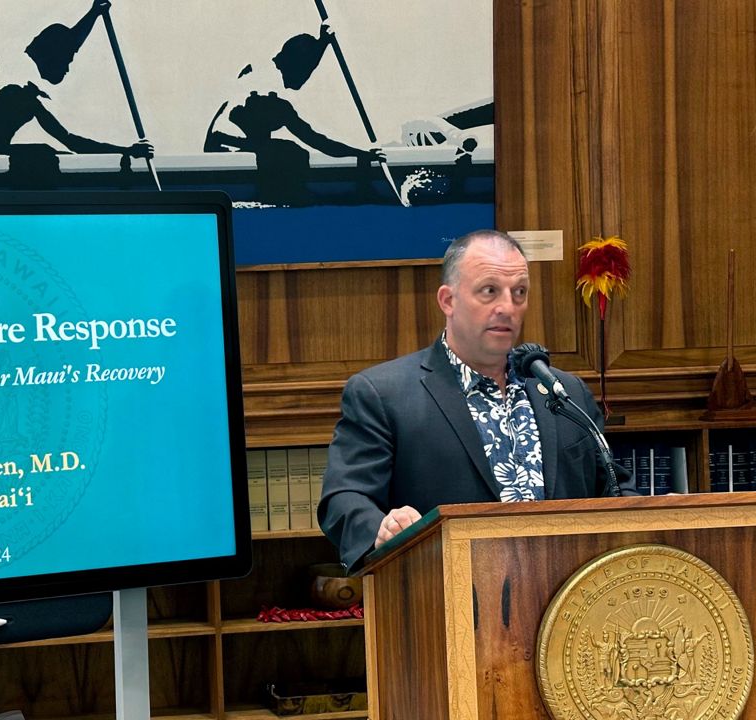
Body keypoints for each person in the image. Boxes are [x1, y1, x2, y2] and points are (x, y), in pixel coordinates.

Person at [316, 230, 636, 571]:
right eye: (489, 291)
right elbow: (343, 499)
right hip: (447, 598)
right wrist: (382, 528)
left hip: (567, 603)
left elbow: (613, 489)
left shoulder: (563, 392)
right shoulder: (383, 394)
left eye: (519, 293)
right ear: (448, 300)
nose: (507, 307)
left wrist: (662, 518)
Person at [0, 0, 153, 189]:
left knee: (56, 154)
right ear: (53, 55)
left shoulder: (28, 95)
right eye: (68, 60)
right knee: (45, 155)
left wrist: (94, 14)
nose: (68, 68)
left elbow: (71, 141)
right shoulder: (14, 81)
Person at [203, 23, 384, 205]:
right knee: (291, 153)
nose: (306, 79)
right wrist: (361, 155)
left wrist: (322, 44)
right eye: (306, 71)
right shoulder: (272, 99)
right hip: (224, 149)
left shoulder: (263, 73)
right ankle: (281, 201)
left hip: (233, 143)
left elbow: (299, 66)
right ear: (294, 66)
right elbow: (316, 140)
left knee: (282, 151)